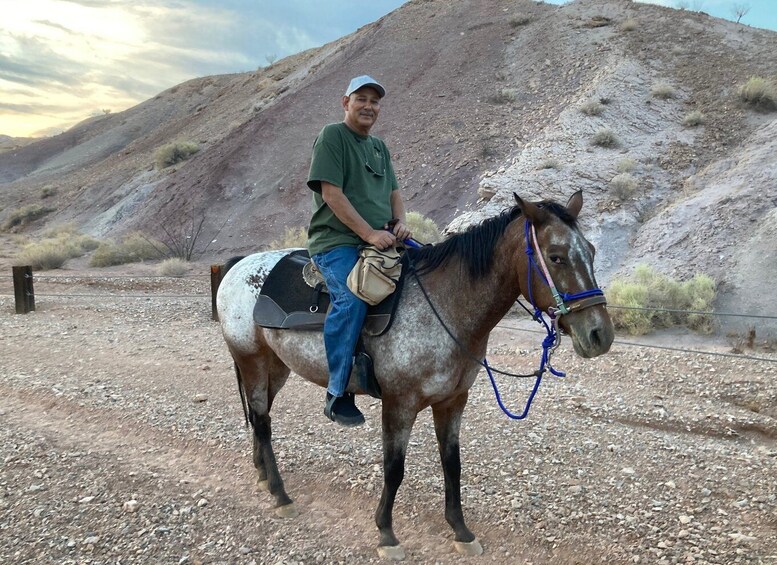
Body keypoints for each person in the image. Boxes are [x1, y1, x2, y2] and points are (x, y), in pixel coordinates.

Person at [306, 75, 412, 427]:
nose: (369, 106)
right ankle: (337, 391)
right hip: (337, 242)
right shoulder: (332, 136)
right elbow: (331, 194)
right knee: (352, 299)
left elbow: (394, 192)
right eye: (361, 99)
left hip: (381, 239)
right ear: (345, 103)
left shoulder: (379, 147)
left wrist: (399, 222)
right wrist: (368, 233)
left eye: (375, 101)